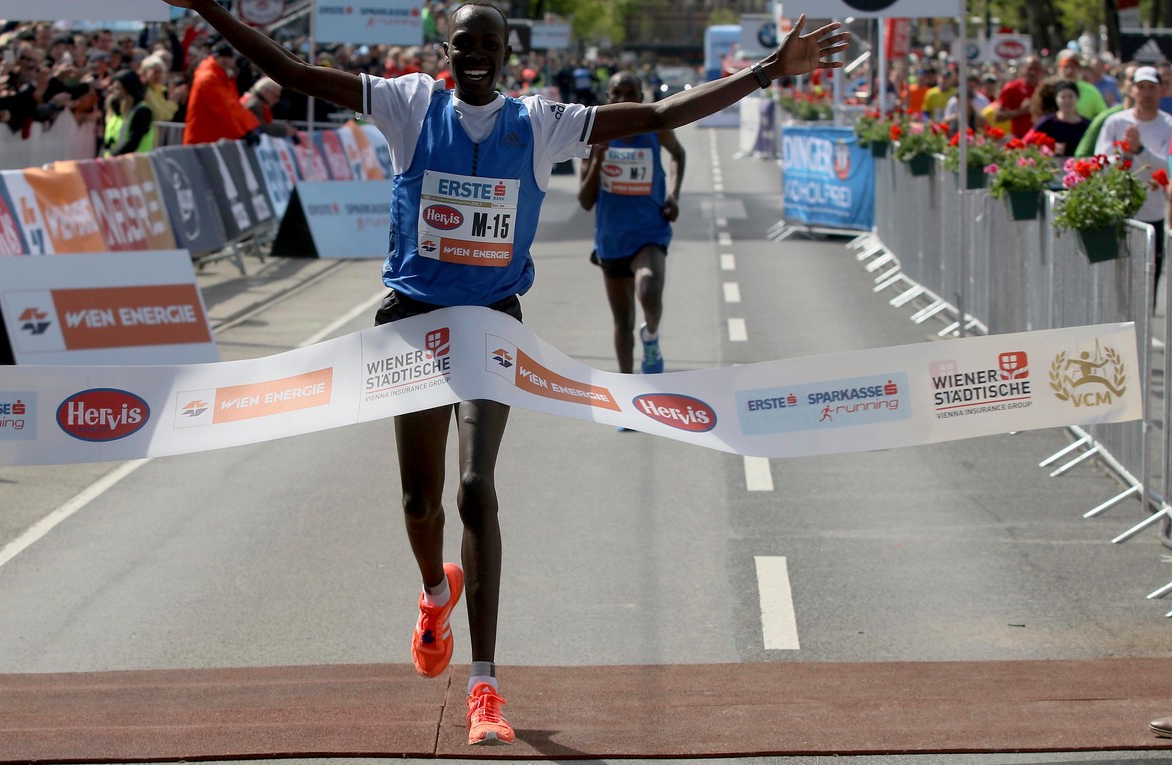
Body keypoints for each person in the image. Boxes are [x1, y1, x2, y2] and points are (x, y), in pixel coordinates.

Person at [159, 0, 846, 745]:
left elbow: (653, 114)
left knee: (476, 488)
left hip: (491, 325)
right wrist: (206, 8)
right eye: (463, 44)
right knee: (421, 500)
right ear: (447, 50)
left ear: (509, 51)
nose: (475, 55)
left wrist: (766, 72)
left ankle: (485, 686)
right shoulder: (409, 104)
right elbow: (290, 71)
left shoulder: (539, 121)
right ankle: (432, 594)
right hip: (414, 322)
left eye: (489, 43)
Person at [578, 71, 684, 381]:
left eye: (631, 93)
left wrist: (674, 195)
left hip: (651, 230)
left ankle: (650, 336)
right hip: (611, 239)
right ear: (607, 98)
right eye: (617, 93)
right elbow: (585, 201)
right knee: (622, 322)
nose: (624, 100)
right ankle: (628, 392)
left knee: (649, 289)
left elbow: (678, 154)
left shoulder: (654, 127)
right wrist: (599, 160)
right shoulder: (595, 137)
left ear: (642, 95)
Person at [1096, 66, 1172, 305]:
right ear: (1132, 90)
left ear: (1162, 90)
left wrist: (1140, 151)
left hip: (1152, 213)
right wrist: (1123, 156)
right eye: (1141, 87)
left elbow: (1168, 169)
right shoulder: (1115, 122)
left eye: (1151, 88)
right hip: (1117, 211)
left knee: (1148, 283)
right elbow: (1099, 162)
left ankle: (1142, 338)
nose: (1146, 93)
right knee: (1116, 285)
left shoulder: (1168, 126)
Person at [183, 40, 259, 145]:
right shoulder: (209, 78)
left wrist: (248, 128)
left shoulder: (222, 77)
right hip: (202, 140)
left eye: (229, 57)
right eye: (224, 57)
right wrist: (242, 133)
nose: (227, 61)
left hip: (211, 139)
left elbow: (234, 106)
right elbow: (223, 110)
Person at [1024, 80, 1089, 157]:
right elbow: (1026, 142)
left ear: (1077, 98)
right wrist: (1048, 148)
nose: (1067, 100)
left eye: (1070, 96)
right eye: (1063, 97)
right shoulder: (1046, 122)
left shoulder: (1087, 125)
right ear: (1056, 100)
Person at [101, 69, 154, 156]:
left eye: (118, 88)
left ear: (129, 88)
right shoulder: (117, 110)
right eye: (114, 87)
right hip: (113, 163)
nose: (114, 92)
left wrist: (114, 157)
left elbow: (133, 142)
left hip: (133, 163)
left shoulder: (142, 111)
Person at [995, 55, 1044, 137]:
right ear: (1023, 69)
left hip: (1040, 137)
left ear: (1041, 72)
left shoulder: (1045, 89)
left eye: (1036, 69)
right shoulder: (1011, 88)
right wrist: (1020, 111)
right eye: (1030, 68)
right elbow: (998, 117)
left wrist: (1037, 108)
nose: (1032, 72)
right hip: (1019, 138)